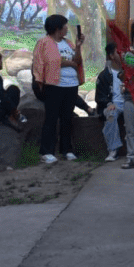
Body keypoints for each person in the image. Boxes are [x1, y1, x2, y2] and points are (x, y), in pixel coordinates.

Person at [32, 14, 82, 165]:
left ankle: (66, 149)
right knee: (51, 118)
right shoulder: (44, 43)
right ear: (57, 28)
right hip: (54, 85)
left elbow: (77, 62)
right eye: (65, 26)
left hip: (71, 84)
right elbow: (44, 63)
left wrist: (78, 46)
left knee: (67, 118)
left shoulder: (69, 43)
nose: (67, 28)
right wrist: (67, 63)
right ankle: (46, 151)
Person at [95, 43, 128, 162]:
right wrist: (109, 104)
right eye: (119, 52)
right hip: (112, 104)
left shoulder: (129, 72)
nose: (123, 54)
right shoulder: (104, 75)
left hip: (128, 102)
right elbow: (100, 96)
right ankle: (113, 149)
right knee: (111, 114)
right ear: (112, 55)